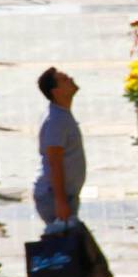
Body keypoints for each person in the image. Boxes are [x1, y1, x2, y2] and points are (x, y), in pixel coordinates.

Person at [33, 66, 86, 229]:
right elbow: (54, 162)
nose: (70, 79)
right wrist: (61, 202)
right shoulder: (55, 120)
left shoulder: (61, 113)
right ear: (56, 92)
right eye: (64, 79)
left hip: (63, 195)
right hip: (54, 197)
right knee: (63, 247)